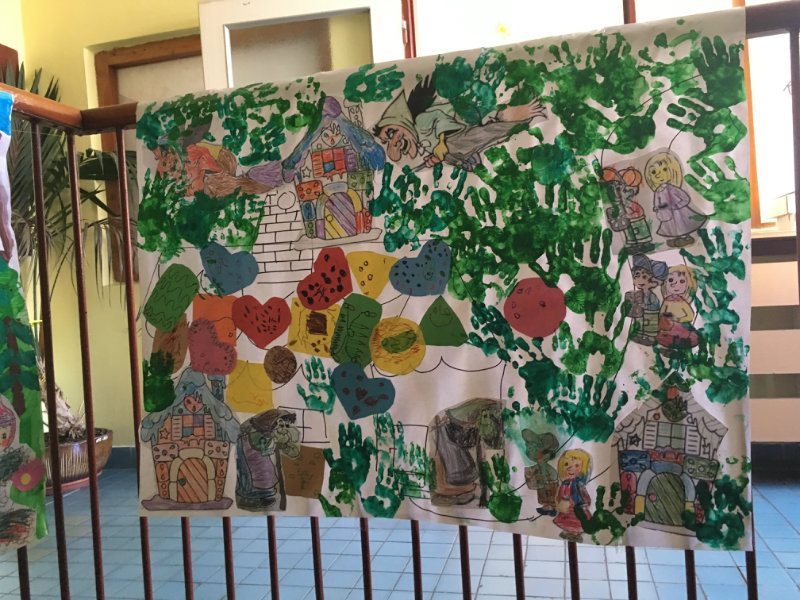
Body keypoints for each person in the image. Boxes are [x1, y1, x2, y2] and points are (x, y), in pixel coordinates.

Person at [373, 75, 546, 171]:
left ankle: (516, 116)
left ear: (401, 121)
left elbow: (441, 119)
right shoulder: (419, 140)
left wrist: (441, 142)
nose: (394, 141)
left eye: (391, 133)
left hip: (464, 125)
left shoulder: (419, 121)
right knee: (454, 154)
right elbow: (437, 150)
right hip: (464, 141)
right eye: (387, 141)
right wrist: (435, 157)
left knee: (455, 145)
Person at [644, 151, 707, 247]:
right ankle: (676, 239)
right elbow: (657, 202)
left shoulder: (672, 189)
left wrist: (677, 206)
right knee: (670, 226)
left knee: (681, 225)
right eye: (653, 172)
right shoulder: (657, 192)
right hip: (666, 213)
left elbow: (685, 198)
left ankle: (685, 237)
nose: (658, 175)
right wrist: (657, 208)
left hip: (678, 212)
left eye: (664, 169)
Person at [625, 254, 668, 345]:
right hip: (641, 316)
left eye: (644, 277)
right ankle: (640, 335)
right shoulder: (638, 294)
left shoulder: (651, 295)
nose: (640, 280)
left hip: (651, 316)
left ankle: (650, 337)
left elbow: (656, 305)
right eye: (636, 276)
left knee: (649, 329)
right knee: (640, 326)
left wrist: (646, 306)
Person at [656, 265, 700, 350]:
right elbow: (661, 313)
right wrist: (665, 317)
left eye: (682, 281)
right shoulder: (667, 300)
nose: (675, 284)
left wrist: (678, 319)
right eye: (671, 280)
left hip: (682, 327)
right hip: (669, 327)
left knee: (690, 338)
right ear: (665, 283)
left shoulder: (682, 302)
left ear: (688, 285)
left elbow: (690, 316)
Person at [553, 448, 592, 542]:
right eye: (566, 464)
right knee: (567, 521)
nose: (570, 468)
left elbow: (585, 496)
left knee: (577, 521)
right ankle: (570, 532)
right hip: (567, 508)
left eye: (576, 465)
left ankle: (575, 534)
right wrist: (561, 500)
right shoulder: (565, 484)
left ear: (583, 469)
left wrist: (584, 503)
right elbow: (561, 494)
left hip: (578, 509)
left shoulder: (580, 485)